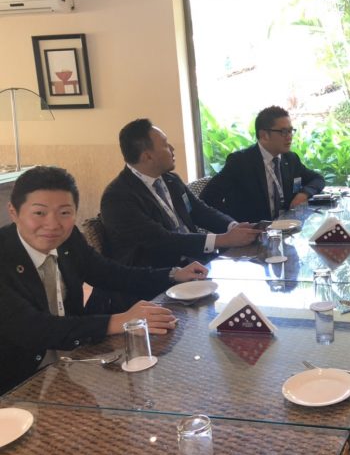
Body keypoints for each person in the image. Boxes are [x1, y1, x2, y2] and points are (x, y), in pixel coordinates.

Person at [0, 166, 208, 394]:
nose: (53, 224)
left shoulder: (69, 240)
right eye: (39, 213)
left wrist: (172, 274)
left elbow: (111, 274)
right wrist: (119, 321)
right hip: (15, 382)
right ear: (13, 212)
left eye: (64, 213)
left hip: (69, 365)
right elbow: (32, 328)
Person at [101, 118, 260, 270]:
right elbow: (162, 240)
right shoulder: (117, 197)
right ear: (147, 156)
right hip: (159, 274)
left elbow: (200, 211)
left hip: (195, 262)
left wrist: (234, 227)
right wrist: (223, 240)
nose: (172, 148)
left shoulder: (170, 179)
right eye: (165, 145)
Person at [200, 106, 325, 223]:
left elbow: (317, 179)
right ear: (264, 135)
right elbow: (207, 198)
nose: (289, 137)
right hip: (254, 233)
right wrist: (232, 224)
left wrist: (304, 193)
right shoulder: (240, 162)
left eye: (290, 131)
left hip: (286, 228)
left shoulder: (290, 159)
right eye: (283, 132)